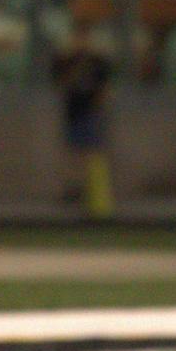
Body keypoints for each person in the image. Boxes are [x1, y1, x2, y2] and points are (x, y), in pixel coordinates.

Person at [50, 16, 114, 216]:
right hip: (73, 112)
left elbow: (103, 88)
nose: (81, 40)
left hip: (90, 113)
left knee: (92, 153)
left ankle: (94, 196)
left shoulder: (97, 62)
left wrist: (98, 109)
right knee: (73, 153)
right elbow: (60, 83)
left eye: (84, 37)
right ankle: (74, 190)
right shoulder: (67, 60)